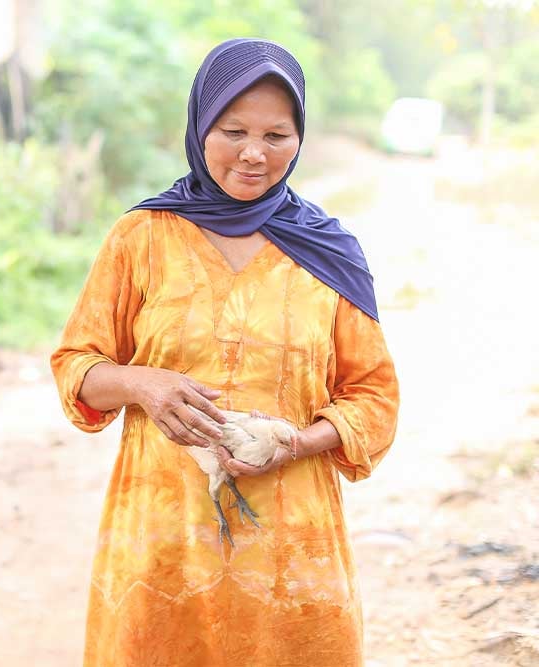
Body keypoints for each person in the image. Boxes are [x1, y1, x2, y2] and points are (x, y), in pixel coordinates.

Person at [50, 38, 400, 666]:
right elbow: (77, 369)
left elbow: (374, 399)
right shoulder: (144, 236)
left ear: (300, 138)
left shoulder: (327, 252)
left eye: (277, 135)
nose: (253, 153)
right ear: (199, 125)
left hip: (291, 553)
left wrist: (295, 441)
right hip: (163, 540)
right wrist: (141, 384)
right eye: (232, 129)